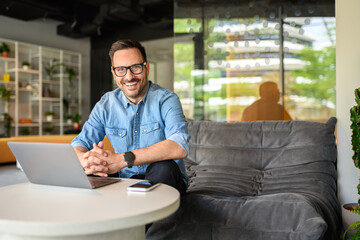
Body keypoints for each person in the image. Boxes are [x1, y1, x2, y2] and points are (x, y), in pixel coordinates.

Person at [71, 40, 189, 195]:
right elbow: (79, 144)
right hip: (124, 179)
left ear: (146, 68)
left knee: (163, 167)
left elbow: (179, 145)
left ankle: (143, 216)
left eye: (135, 67)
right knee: (92, 172)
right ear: (113, 73)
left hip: (164, 178)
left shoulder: (166, 99)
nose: (129, 76)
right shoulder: (106, 104)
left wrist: (122, 160)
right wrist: (89, 161)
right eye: (121, 69)